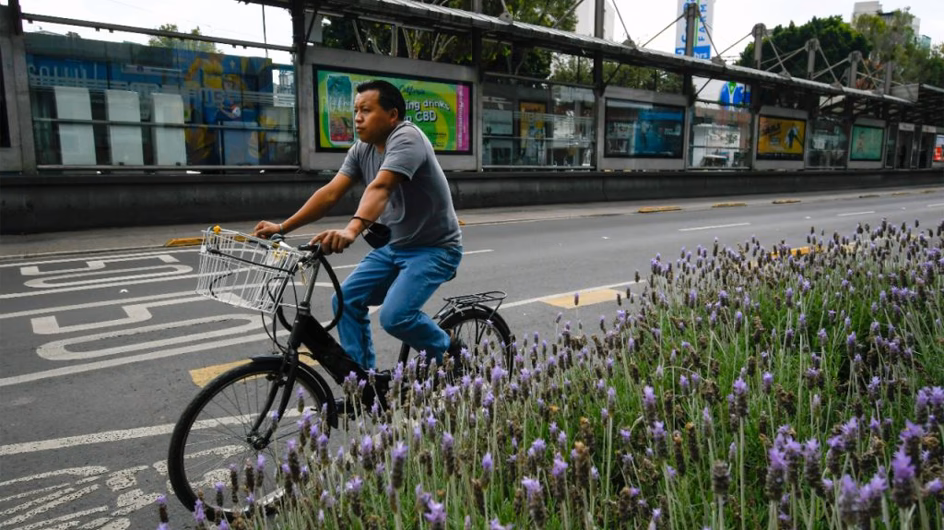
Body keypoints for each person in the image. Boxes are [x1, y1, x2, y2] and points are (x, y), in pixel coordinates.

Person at [253, 80, 462, 371]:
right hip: (395, 247)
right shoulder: (361, 150)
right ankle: (364, 384)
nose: (358, 118)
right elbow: (330, 194)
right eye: (355, 111)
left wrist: (351, 230)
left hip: (435, 249)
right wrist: (282, 227)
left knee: (395, 316)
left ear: (392, 115)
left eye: (366, 110)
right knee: (345, 302)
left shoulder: (407, 138)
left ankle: (450, 349)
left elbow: (381, 187)